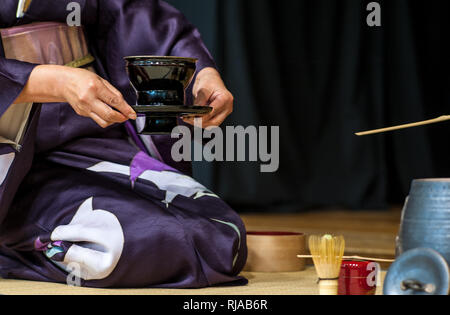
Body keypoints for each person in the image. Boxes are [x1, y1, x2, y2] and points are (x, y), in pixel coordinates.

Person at [0, 0, 247, 288]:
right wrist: (49, 81)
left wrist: (200, 74)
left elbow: (136, 16)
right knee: (124, 244)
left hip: (87, 130)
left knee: (221, 232)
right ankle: (10, 242)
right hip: (13, 151)